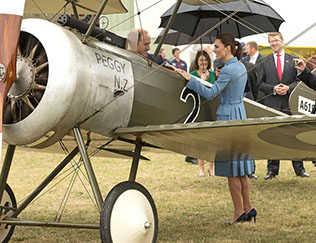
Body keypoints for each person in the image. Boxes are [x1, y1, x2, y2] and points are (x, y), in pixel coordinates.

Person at [177, 33, 256, 224]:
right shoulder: (239, 65)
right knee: (241, 168)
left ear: (227, 48)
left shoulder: (228, 69)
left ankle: (238, 212)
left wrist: (191, 79)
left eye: (217, 46)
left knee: (231, 168)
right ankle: (249, 207)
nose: (214, 49)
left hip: (228, 116)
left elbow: (212, 93)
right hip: (239, 113)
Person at [258, 32, 310, 179]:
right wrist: (273, 89)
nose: (273, 43)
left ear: (282, 41)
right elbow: (259, 84)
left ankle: (300, 169)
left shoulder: (294, 60)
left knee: (294, 136)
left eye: (276, 40)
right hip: (273, 104)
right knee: (272, 137)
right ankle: (271, 170)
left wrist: (289, 88)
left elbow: (300, 82)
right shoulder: (264, 61)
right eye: (271, 41)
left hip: (290, 104)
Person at [190, 50, 216, 177]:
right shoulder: (192, 74)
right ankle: (201, 168)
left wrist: (207, 80)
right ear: (197, 62)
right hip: (197, 109)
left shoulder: (212, 74)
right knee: (200, 140)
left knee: (211, 139)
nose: (203, 62)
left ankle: (211, 168)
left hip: (211, 108)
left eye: (205, 60)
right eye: (201, 60)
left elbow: (214, 90)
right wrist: (201, 80)